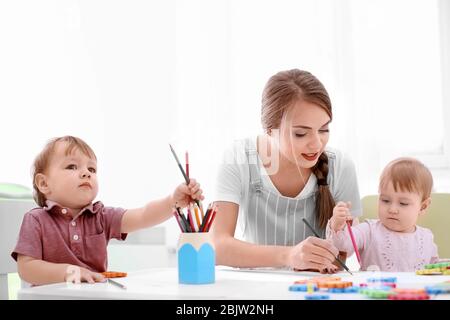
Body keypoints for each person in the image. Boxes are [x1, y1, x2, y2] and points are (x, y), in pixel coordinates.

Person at [211, 69, 362, 273]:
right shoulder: (239, 159)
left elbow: (344, 252)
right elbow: (217, 247)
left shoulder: (341, 166)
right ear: (269, 130)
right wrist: (289, 255)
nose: (317, 144)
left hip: (314, 288)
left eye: (324, 130)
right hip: (256, 289)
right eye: (300, 134)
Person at [12, 136, 204, 285]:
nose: (86, 172)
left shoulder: (101, 216)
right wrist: (68, 272)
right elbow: (27, 268)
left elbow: (144, 215)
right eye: (72, 166)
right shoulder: (36, 220)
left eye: (92, 169)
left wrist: (173, 200)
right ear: (44, 183)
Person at [326, 157, 439, 271]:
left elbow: (435, 269)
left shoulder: (426, 237)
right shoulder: (368, 230)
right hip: (373, 289)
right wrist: (337, 225)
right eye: (385, 200)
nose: (392, 209)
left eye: (403, 203)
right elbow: (343, 247)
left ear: (423, 206)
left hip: (416, 289)